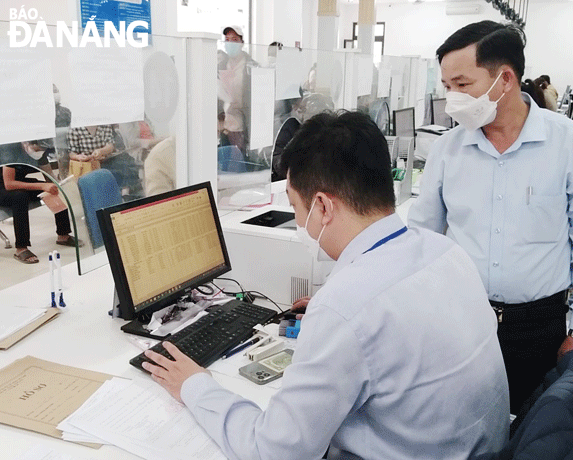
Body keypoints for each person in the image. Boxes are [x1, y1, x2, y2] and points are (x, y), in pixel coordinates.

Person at [142, 111, 509, 460]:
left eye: (295, 207)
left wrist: (195, 386)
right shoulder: (445, 251)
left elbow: (274, 451)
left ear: (322, 206)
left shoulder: (345, 307)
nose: (299, 221)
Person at [408, 20, 573, 415]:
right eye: (447, 87)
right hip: (463, 319)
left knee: (532, 431)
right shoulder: (448, 150)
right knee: (463, 423)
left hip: (540, 327)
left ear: (504, 80)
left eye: (462, 85)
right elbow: (420, 236)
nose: (452, 99)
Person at [0, 161, 79, 264]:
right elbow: (9, 184)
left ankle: (63, 235)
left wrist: (52, 185)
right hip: (4, 186)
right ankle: (21, 248)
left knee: (51, 189)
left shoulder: (39, 153)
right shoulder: (11, 151)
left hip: (18, 182)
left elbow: (47, 176)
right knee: (20, 197)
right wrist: (42, 186)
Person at [217, 25, 257, 154]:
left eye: (234, 39)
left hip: (242, 127)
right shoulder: (221, 66)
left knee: (240, 162)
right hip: (224, 126)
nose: (230, 43)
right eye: (227, 40)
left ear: (242, 43)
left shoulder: (251, 67)